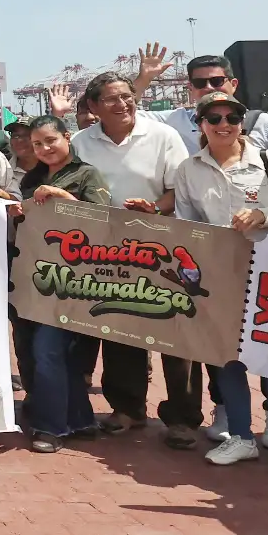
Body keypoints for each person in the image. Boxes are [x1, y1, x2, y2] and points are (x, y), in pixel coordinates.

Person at [170, 90, 268, 486]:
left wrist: (265, 214)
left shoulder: (267, 161)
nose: (224, 124)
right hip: (220, 276)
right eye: (214, 118)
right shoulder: (188, 169)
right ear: (201, 124)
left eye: (232, 116)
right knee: (225, 359)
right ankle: (242, 437)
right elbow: (187, 222)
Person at [71, 71, 200, 445]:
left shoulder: (162, 136)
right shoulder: (81, 142)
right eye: (111, 99)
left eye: (127, 95)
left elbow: (180, 189)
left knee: (176, 333)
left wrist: (154, 210)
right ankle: (128, 408)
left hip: (165, 247)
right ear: (93, 107)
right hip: (108, 251)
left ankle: (184, 417)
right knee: (121, 330)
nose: (123, 104)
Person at [18, 116, 112, 453]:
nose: (44, 149)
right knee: (58, 353)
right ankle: (79, 417)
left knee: (47, 351)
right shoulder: (31, 178)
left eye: (50, 141)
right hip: (41, 276)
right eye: (37, 144)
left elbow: (104, 221)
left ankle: (51, 427)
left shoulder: (87, 174)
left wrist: (62, 196)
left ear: (66, 137)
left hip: (78, 278)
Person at [135, 49, 268, 176]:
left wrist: (259, 161)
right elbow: (121, 113)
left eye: (217, 81)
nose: (209, 88)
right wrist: (144, 79)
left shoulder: (263, 122)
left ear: (234, 84)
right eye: (200, 83)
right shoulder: (174, 120)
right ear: (190, 88)